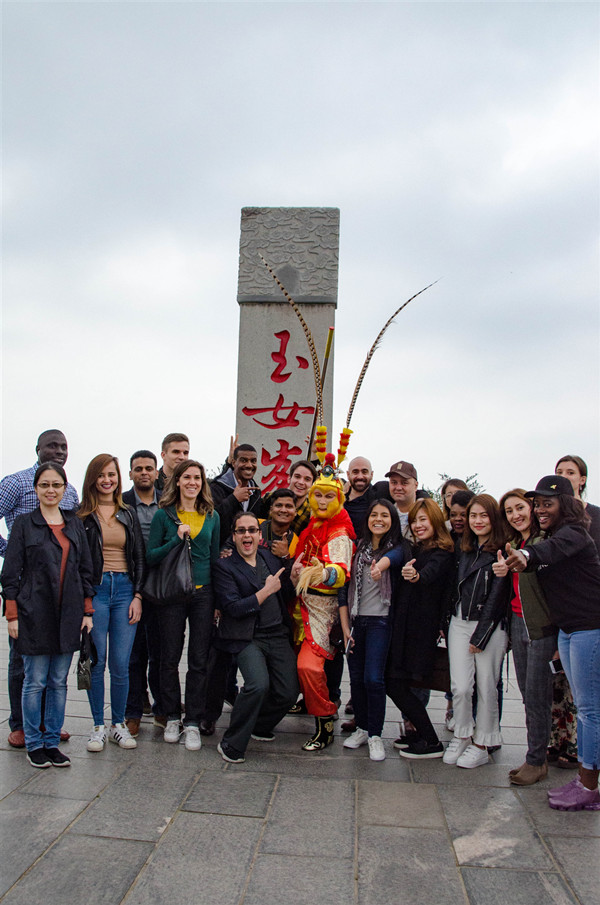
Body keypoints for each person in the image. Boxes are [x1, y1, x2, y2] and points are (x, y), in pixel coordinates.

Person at [505, 476, 600, 811]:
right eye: (538, 504)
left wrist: (525, 554)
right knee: (586, 710)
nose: (540, 509)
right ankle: (584, 780)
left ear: (566, 504)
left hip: (590, 628)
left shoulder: (574, 532)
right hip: (568, 630)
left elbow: (547, 551)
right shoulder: (553, 535)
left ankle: (589, 787)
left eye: (548, 503)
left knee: (590, 711)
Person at [1, 463, 95, 768]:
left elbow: (86, 570)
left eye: (56, 485)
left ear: (65, 489)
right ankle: (34, 743)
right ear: (36, 489)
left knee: (58, 681)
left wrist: (88, 610)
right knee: (35, 681)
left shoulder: (74, 524)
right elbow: (10, 573)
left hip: (69, 613)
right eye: (45, 485)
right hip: (34, 614)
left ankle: (52, 742)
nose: (51, 490)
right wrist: (12, 615)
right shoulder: (24, 524)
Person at [212, 511, 299, 763]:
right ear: (234, 536)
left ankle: (259, 725)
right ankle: (232, 742)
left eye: (252, 530)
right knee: (258, 685)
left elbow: (283, 592)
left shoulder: (269, 558)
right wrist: (265, 591)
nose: (247, 535)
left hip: (277, 633)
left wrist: (293, 579)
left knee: (289, 692)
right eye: (241, 531)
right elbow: (233, 608)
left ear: (260, 535)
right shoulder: (224, 566)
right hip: (247, 637)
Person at [147, 459, 220, 750]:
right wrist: (175, 541)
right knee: (169, 657)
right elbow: (151, 556)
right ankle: (172, 716)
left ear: (203, 483)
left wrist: (218, 600)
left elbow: (214, 558)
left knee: (199, 660)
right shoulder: (163, 515)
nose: (192, 482)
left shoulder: (212, 515)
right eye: (187, 477)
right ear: (177, 480)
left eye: (197, 478)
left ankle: (192, 721)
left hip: (204, 594)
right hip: (172, 593)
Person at [79, 455, 145, 752]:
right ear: (92, 479)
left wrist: (138, 596)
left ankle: (118, 723)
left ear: (119, 478)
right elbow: (78, 564)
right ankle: (97, 726)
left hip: (125, 591)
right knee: (96, 661)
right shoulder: (82, 516)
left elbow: (139, 557)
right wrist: (85, 602)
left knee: (121, 664)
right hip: (96, 591)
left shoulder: (128, 514)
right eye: (102, 475)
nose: (107, 480)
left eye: (112, 474)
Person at [291, 455, 355, 751]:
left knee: (309, 667)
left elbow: (341, 573)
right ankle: (307, 702)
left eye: (329, 496)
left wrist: (321, 573)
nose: (323, 500)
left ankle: (325, 722)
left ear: (339, 499)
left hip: (322, 611)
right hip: (298, 606)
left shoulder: (339, 531)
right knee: (296, 663)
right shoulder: (313, 525)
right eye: (318, 494)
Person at [493, 489, 555, 785]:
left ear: (531, 508)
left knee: (537, 695)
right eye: (509, 511)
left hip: (541, 627)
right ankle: (535, 755)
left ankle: (536, 761)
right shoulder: (514, 544)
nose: (515, 515)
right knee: (528, 695)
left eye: (520, 508)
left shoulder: (544, 544)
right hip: (518, 622)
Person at [444, 494, 510, 769]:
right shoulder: (464, 547)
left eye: (484, 515)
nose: (478, 520)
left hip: (490, 626)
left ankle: (483, 743)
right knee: (460, 686)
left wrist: (481, 636)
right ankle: (462, 734)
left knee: (486, 686)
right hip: (459, 621)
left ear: (493, 518)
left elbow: (498, 599)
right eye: (473, 515)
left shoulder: (502, 552)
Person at [386, 499, 454, 760]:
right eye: (414, 521)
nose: (418, 525)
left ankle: (431, 740)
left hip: (420, 631)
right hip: (404, 627)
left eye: (423, 519)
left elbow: (429, 575)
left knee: (396, 682)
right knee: (398, 682)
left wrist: (415, 576)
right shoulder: (416, 548)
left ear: (435, 520)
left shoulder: (442, 552)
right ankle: (420, 734)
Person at [339, 499, 405, 761]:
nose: (379, 519)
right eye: (374, 515)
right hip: (356, 622)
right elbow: (343, 589)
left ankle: (376, 734)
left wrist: (381, 566)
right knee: (356, 680)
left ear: (392, 520)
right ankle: (363, 728)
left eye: (385, 515)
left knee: (373, 679)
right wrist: (345, 627)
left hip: (381, 622)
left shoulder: (398, 547)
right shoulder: (357, 550)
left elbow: (395, 557)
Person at [122, 450, 164, 735]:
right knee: (133, 654)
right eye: (139, 469)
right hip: (131, 584)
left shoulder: (168, 502)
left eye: (149, 468)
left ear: (157, 472)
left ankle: (162, 708)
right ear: (131, 474)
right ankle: (133, 711)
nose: (144, 473)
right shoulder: (122, 503)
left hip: (162, 585)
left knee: (160, 652)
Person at [210, 444, 262, 544]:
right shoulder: (217, 487)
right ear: (234, 463)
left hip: (247, 548)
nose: (249, 465)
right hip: (222, 549)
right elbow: (211, 519)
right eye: (244, 460)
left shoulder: (256, 492)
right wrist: (233, 499)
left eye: (253, 461)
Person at [555, 455, 600, 552]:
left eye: (570, 473)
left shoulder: (597, 514)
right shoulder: (549, 513)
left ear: (582, 480)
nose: (563, 476)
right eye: (559, 472)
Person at [343, 457, 390, 536]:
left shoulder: (381, 493)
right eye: (355, 472)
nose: (360, 476)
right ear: (348, 474)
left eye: (364, 472)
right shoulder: (338, 497)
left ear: (371, 475)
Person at [385, 461, 419, 539]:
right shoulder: (384, 516)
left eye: (404, 483)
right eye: (394, 482)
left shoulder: (428, 516)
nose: (398, 488)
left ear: (415, 486)